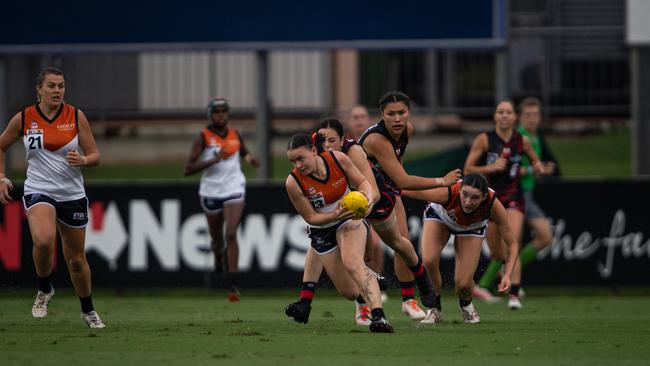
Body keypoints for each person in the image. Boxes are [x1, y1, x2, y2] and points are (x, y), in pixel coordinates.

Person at [0, 66, 105, 328]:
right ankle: (44, 290)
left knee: (76, 260)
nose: (57, 90)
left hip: (71, 193)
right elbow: (1, 145)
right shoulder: (24, 118)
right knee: (44, 241)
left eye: (61, 86)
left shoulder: (75, 115)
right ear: (39, 90)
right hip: (39, 188)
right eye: (51, 86)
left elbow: (95, 156)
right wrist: (1, 177)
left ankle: (88, 310)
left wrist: (82, 159)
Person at [358, 91, 461, 320]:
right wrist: (442, 181)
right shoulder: (377, 140)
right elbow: (403, 179)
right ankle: (361, 305)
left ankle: (408, 300)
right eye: (391, 114)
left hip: (384, 190)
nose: (397, 118)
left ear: (409, 113)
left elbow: (397, 167)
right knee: (361, 253)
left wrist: (396, 188)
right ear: (382, 115)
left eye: (401, 113)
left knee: (402, 243)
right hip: (360, 194)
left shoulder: (408, 130)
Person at [284, 132, 393, 333]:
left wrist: (368, 199)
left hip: (349, 218)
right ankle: (370, 276)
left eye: (301, 158)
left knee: (352, 261)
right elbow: (311, 218)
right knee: (350, 292)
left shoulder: (338, 159)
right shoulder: (293, 183)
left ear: (314, 151)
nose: (297, 165)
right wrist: (334, 215)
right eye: (293, 161)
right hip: (323, 229)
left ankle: (379, 317)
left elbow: (363, 183)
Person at [403, 173, 519, 324]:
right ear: (460, 190)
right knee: (429, 260)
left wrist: (507, 275)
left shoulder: (493, 205)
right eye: (464, 195)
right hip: (441, 217)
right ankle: (434, 307)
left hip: (472, 227)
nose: (468, 202)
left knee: (463, 284)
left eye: (475, 197)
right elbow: (409, 190)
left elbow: (512, 244)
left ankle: (466, 305)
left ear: (484, 197)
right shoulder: (448, 192)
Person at [464, 100, 544, 310]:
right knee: (497, 254)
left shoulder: (522, 140)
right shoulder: (485, 139)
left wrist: (537, 166)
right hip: (490, 199)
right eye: (501, 112)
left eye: (508, 112)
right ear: (495, 116)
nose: (505, 115)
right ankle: (500, 277)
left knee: (513, 242)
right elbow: (468, 168)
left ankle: (514, 294)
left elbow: (535, 161)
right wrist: (490, 167)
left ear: (514, 117)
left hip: (513, 198)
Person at [184, 97, 260, 301]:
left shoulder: (235, 134)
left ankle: (233, 285)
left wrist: (250, 158)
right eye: (216, 112)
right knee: (217, 238)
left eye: (223, 112)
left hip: (234, 187)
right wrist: (212, 160)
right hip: (211, 191)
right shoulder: (204, 136)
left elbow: (242, 150)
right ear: (210, 115)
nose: (220, 115)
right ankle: (218, 255)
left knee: (231, 233)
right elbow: (188, 169)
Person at [346, 105, 387, 302]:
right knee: (357, 253)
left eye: (362, 116)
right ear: (349, 121)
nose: (359, 120)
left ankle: (377, 286)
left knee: (376, 247)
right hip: (349, 204)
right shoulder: (342, 145)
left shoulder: (376, 141)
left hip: (373, 199)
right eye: (355, 117)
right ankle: (361, 291)